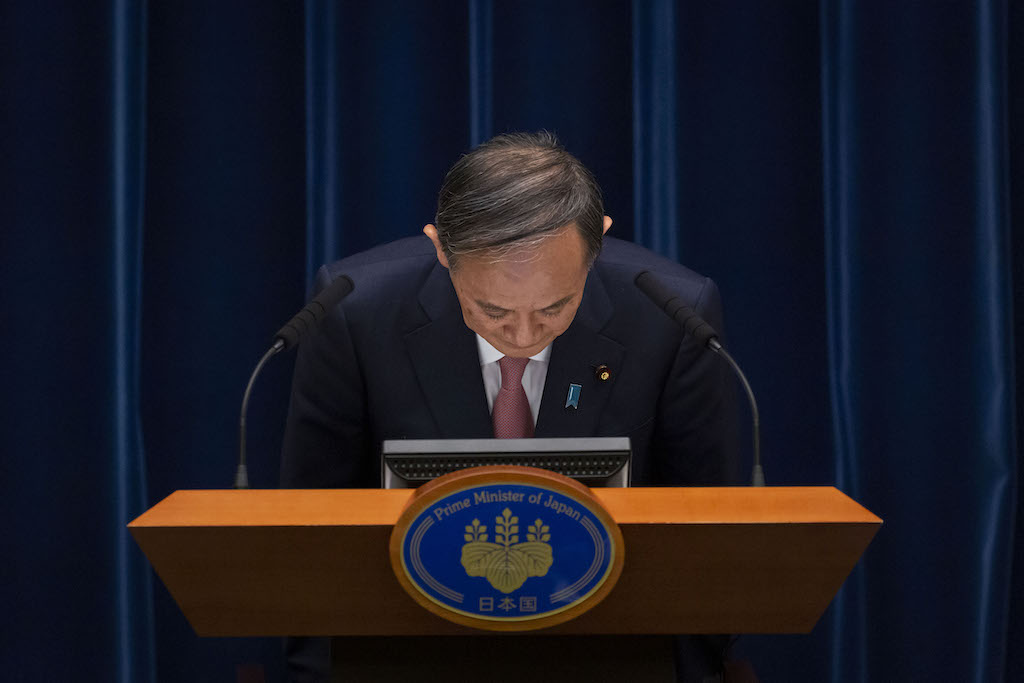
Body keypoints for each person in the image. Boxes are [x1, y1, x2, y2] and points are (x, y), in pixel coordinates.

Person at [281, 132, 739, 682]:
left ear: (598, 244)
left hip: (609, 656)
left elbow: (705, 539)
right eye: (491, 309)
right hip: (411, 655)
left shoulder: (671, 315)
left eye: (556, 306)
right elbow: (310, 534)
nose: (523, 334)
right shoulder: (354, 308)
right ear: (441, 249)